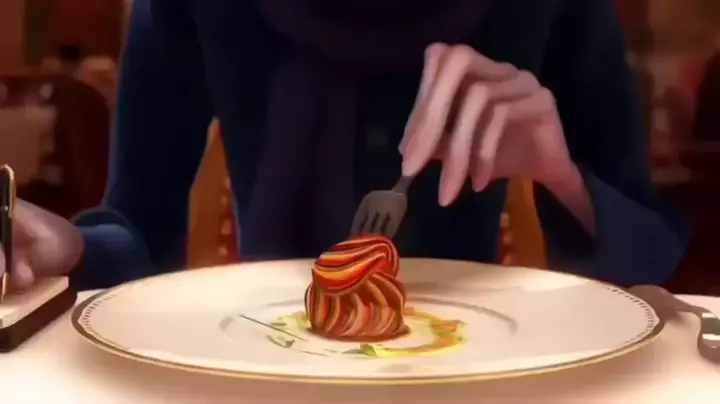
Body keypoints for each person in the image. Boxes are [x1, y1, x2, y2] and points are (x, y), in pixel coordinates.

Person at [0, 0, 689, 291]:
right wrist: (73, 250)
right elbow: (139, 232)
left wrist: (561, 174)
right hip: (254, 370)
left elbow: (649, 250)